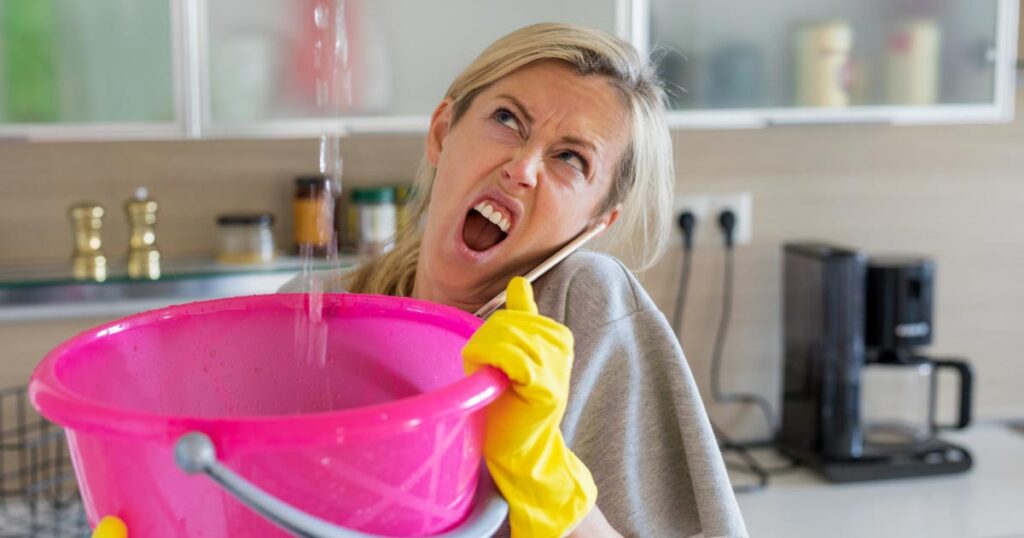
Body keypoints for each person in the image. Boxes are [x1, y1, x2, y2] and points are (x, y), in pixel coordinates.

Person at [283, 22, 746, 538]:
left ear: (594, 224)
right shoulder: (312, 314)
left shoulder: (586, 307)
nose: (523, 168)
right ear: (442, 131)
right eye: (507, 119)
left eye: (571, 158)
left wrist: (543, 476)